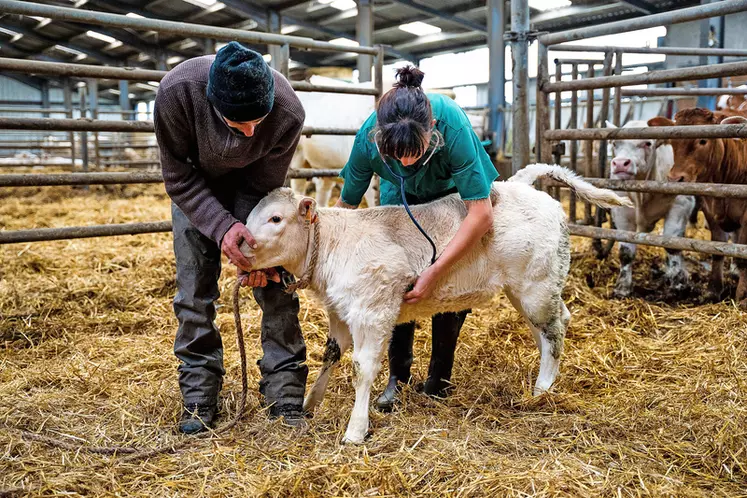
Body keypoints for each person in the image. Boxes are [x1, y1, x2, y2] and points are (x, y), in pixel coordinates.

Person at [154, 41, 308, 434]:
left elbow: (262, 183)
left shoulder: (288, 112)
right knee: (194, 290)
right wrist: (222, 228)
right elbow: (177, 177)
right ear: (214, 103)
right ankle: (199, 393)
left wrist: (251, 254)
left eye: (259, 120)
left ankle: (285, 392)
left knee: (277, 285)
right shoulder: (177, 94)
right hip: (196, 189)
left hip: (257, 194)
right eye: (239, 124)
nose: (252, 132)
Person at [337, 65, 498, 411]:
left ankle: (440, 377)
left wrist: (436, 271)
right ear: (380, 137)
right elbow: (346, 207)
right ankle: (398, 377)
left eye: (417, 150)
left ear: (433, 130)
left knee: (451, 282)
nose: (408, 159)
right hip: (400, 199)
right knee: (397, 282)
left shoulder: (451, 124)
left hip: (454, 202)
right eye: (398, 152)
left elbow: (481, 214)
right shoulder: (367, 140)